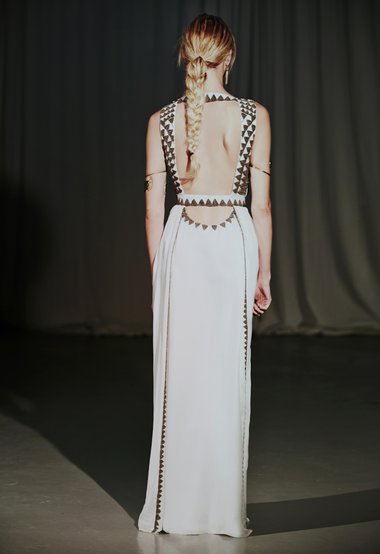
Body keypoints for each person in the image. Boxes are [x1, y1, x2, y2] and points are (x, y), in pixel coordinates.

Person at [138, 13, 272, 537]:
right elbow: (262, 207)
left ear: (184, 57)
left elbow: (153, 208)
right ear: (229, 57)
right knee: (226, 379)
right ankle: (223, 513)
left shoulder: (161, 120)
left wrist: (159, 278)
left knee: (179, 379)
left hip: (184, 244)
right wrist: (264, 271)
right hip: (233, 240)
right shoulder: (254, 115)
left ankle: (174, 510)